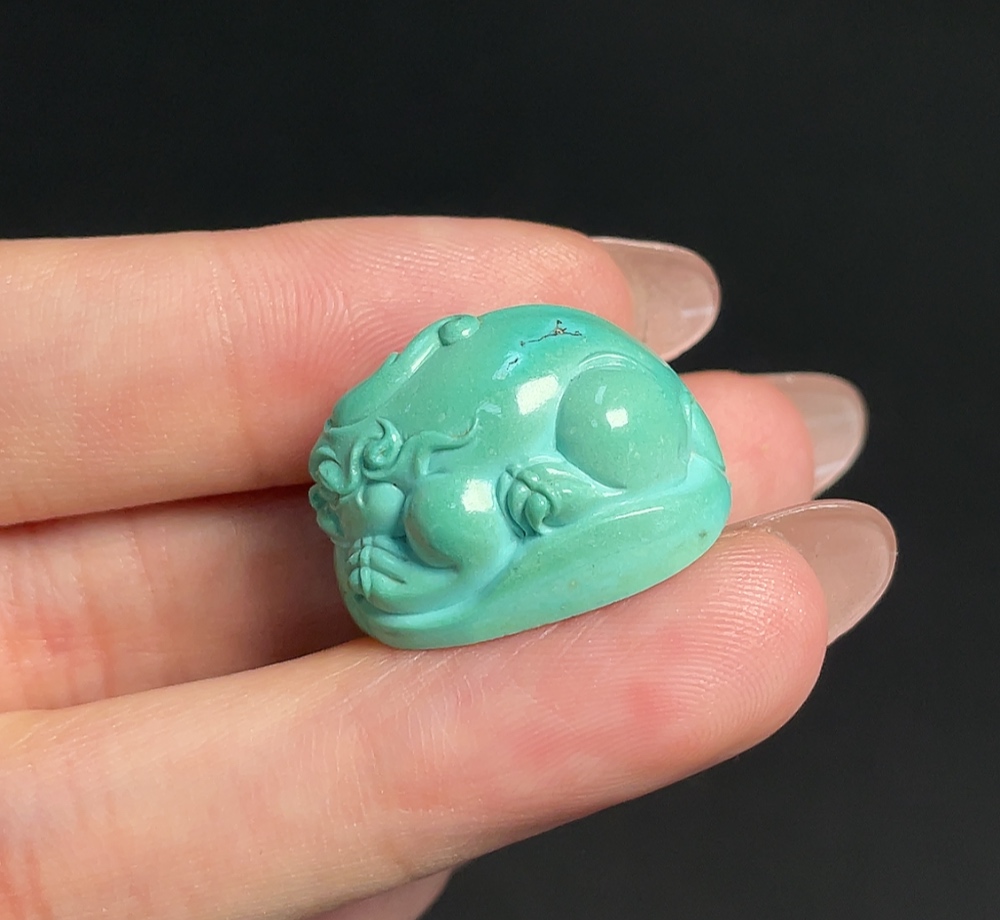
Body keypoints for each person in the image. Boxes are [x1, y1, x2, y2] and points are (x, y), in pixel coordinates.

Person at [0, 217, 896, 920]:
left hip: (618, 439)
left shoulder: (441, 495)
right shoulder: (388, 478)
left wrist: (444, 566)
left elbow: (455, 525)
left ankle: (593, 497)